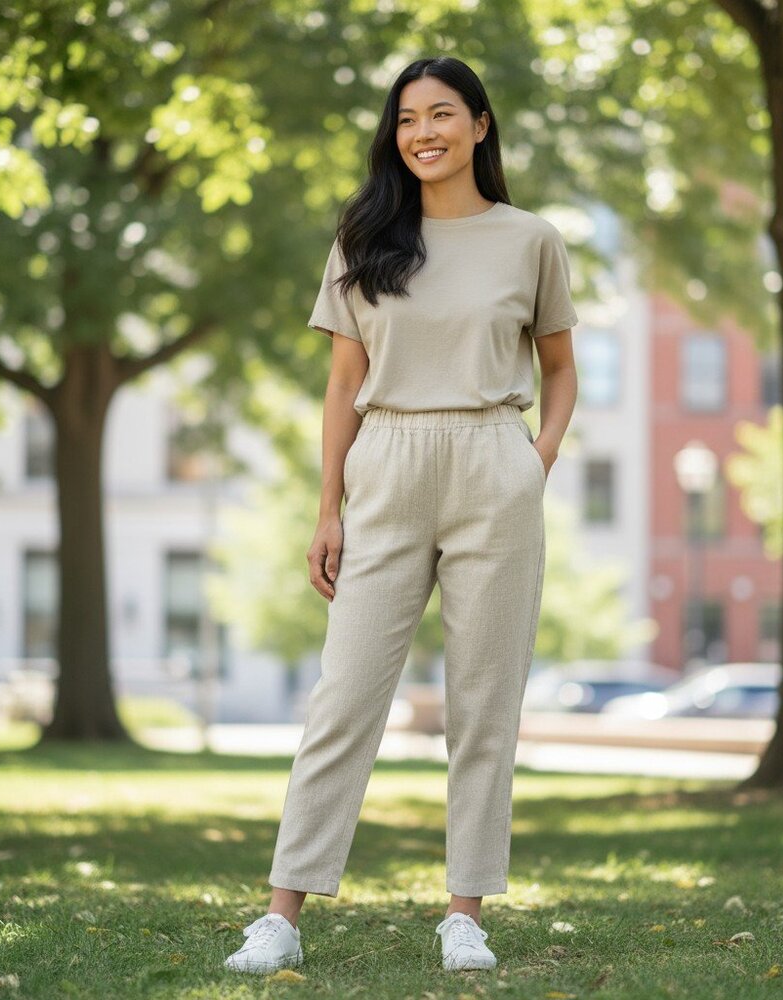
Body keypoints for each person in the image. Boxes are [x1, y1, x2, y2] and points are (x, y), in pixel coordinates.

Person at [225, 54, 579, 975]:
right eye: (408, 118)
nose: (423, 132)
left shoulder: (530, 239)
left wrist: (531, 464)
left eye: (443, 114)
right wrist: (326, 508)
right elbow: (343, 383)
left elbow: (560, 368)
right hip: (386, 461)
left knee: (484, 700)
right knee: (343, 696)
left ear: (481, 126)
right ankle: (282, 917)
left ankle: (465, 913)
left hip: (492, 463)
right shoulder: (365, 236)